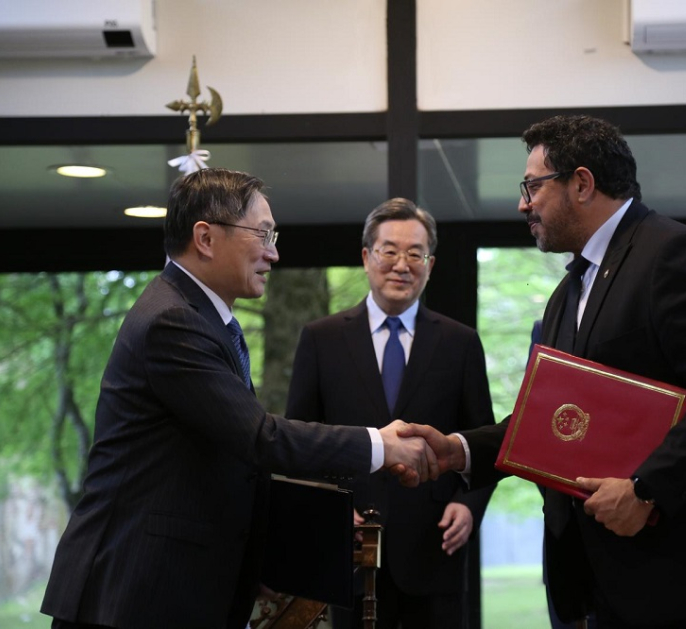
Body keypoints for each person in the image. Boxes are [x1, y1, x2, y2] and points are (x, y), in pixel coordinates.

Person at [397, 115, 686, 628]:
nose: (523, 203)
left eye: (532, 186)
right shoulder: (564, 296)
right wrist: (457, 450)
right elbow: (550, 419)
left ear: (583, 183)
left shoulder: (676, 254)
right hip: (616, 583)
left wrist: (646, 488)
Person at [40, 168, 435, 629]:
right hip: (134, 591)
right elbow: (260, 439)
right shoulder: (174, 322)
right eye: (263, 234)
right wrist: (382, 445)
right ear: (205, 238)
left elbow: (227, 459)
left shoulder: (204, 317)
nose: (274, 251)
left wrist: (259, 555)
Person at [285, 198, 495, 629]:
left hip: (435, 549)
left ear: (431, 264)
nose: (402, 264)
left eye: (415, 253)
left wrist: (470, 506)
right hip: (351, 551)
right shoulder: (321, 339)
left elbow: (483, 440)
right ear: (366, 257)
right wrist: (332, 512)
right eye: (389, 251)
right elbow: (298, 444)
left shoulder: (460, 342)